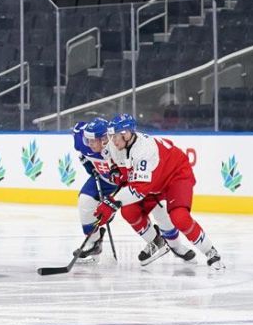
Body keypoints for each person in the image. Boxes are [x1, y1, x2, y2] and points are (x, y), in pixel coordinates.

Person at [94, 114, 223, 270]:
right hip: (152, 181)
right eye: (111, 136)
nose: (113, 141)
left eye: (116, 136)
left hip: (175, 175)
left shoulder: (145, 150)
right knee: (129, 211)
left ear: (127, 134)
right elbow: (111, 159)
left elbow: (139, 190)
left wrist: (111, 203)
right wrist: (114, 171)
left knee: (179, 217)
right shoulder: (114, 145)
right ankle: (157, 242)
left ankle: (210, 251)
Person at [72, 118, 193, 265]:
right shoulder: (83, 142)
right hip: (105, 180)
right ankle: (93, 244)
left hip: (128, 181)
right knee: (85, 201)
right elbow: (83, 152)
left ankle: (175, 245)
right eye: (87, 140)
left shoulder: (118, 145)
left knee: (157, 209)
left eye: (93, 140)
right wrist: (87, 163)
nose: (89, 144)